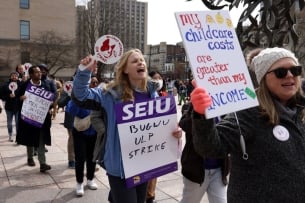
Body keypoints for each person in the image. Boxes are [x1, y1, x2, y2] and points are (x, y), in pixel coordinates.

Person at [190, 47, 305, 202]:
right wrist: (201, 114)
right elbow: (211, 146)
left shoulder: (301, 109)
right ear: (264, 77)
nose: (290, 75)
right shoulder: (249, 111)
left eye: (295, 70)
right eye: (281, 72)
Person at [72, 49, 182, 203]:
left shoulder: (153, 93)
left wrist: (174, 133)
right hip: (120, 168)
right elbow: (81, 96)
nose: (140, 63)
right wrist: (84, 72)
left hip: (144, 163)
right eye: (135, 61)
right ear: (124, 69)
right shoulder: (109, 94)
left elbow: (158, 128)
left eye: (142, 60)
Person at [179, 102, 230, 203]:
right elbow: (184, 124)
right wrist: (199, 112)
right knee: (189, 200)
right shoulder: (190, 106)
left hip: (218, 170)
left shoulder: (225, 108)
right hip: (197, 171)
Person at [16, 65, 55, 172]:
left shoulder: (46, 85)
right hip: (29, 118)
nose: (40, 73)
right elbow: (17, 98)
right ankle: (30, 157)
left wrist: (50, 103)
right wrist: (21, 98)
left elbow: (52, 96)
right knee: (30, 138)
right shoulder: (25, 85)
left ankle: (42, 163)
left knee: (41, 139)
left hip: (42, 118)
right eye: (37, 72)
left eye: (40, 72)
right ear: (31, 74)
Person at [66, 76, 99, 197]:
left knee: (92, 157)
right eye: (92, 82)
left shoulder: (99, 97)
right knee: (80, 158)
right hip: (80, 132)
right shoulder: (78, 97)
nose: (94, 84)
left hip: (94, 132)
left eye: (96, 82)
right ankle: (79, 182)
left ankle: (90, 179)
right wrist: (76, 99)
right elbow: (71, 111)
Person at [145, 70, 168, 203]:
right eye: (155, 78)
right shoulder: (146, 95)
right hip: (144, 136)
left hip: (158, 138)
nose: (158, 81)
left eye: (160, 78)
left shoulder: (165, 95)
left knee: (154, 170)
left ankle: (150, 195)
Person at [2, 72, 22, 142]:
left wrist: (18, 97)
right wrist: (8, 96)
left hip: (18, 107)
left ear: (18, 77)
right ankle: (10, 134)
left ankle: (18, 136)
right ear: (10, 77)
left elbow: (23, 95)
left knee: (17, 123)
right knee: (9, 123)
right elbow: (1, 96)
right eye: (12, 76)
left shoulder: (21, 85)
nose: (14, 77)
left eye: (16, 76)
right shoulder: (5, 85)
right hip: (9, 107)